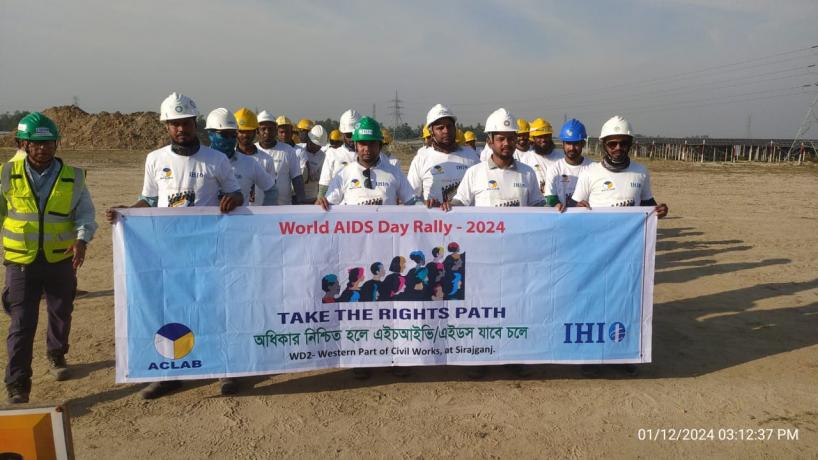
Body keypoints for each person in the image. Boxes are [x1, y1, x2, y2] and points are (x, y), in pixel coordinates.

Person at [106, 93, 242, 399]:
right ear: (167, 127)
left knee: (216, 308)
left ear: (196, 123)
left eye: (186, 122)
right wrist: (127, 211)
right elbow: (150, 201)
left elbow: (237, 193)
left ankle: (226, 369)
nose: (181, 128)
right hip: (168, 252)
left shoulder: (216, 160)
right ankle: (172, 372)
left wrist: (233, 199)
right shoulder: (155, 160)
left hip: (209, 250)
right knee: (172, 309)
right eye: (174, 123)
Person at [1, 113, 97, 404]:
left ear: (56, 144)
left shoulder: (73, 176)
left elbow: (85, 213)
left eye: (48, 143)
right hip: (21, 261)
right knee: (21, 322)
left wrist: (82, 239)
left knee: (61, 311)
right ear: (23, 144)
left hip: (60, 259)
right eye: (36, 143)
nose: (42, 149)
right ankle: (18, 383)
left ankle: (56, 353)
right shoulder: (6, 174)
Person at [445, 107, 545, 379]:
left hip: (517, 257)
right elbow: (458, 204)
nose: (507, 143)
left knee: (515, 306)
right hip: (482, 258)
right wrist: (444, 208)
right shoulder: (475, 173)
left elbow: (538, 208)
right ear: (490, 140)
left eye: (511, 138)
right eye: (500, 138)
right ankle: (478, 356)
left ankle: (514, 355)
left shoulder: (527, 173)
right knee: (480, 308)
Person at [570, 116, 668, 377]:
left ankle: (623, 352)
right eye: (612, 143)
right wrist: (577, 208)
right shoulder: (589, 173)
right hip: (595, 254)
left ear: (630, 144)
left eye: (623, 143)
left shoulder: (640, 172)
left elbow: (648, 204)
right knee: (594, 303)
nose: (617, 148)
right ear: (604, 145)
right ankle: (591, 356)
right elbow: (573, 205)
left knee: (626, 303)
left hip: (629, 255)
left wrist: (659, 210)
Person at [317, 117, 417, 208]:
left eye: (372, 143)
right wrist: (320, 205)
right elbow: (328, 205)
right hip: (353, 228)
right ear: (355, 145)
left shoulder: (395, 173)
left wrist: (429, 208)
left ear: (380, 145)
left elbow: (413, 203)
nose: (367, 149)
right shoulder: (344, 174)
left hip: (386, 228)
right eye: (362, 143)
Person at [407, 104, 479, 208]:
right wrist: (425, 204)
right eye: (440, 128)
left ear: (455, 128)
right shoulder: (421, 158)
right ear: (431, 132)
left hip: (466, 221)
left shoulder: (471, 155)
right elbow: (411, 196)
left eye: (449, 126)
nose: (446, 131)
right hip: (434, 222)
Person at [204, 108, 277, 206]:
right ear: (210, 134)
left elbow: (272, 190)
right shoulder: (198, 162)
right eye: (225, 135)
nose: (230, 139)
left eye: (233, 135)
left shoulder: (250, 163)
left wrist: (264, 216)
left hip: (241, 221)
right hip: (206, 221)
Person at [254, 111, 306, 205]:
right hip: (257, 210)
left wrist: (302, 203)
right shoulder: (252, 151)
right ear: (257, 131)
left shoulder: (288, 151)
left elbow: (297, 178)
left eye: (270, 129)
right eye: (263, 129)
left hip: (283, 209)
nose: (267, 132)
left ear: (275, 130)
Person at [544, 119, 593, 208]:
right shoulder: (554, 168)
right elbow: (550, 196)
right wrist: (557, 204)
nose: (572, 148)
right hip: (562, 217)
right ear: (563, 144)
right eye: (568, 143)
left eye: (576, 144)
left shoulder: (593, 167)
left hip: (585, 217)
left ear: (583, 144)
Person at [317, 109, 361, 198]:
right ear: (342, 134)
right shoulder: (333, 154)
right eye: (349, 135)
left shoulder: (368, 156)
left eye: (355, 134)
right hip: (337, 208)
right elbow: (324, 186)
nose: (352, 138)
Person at [518, 117, 561, 193]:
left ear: (550, 136)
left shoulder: (561, 158)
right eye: (540, 137)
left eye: (546, 136)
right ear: (533, 138)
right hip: (535, 203)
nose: (543, 140)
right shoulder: (526, 159)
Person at [302, 125, 327, 203]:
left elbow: (323, 177)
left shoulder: (322, 156)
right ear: (309, 139)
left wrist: (310, 175)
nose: (316, 147)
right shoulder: (300, 150)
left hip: (313, 197)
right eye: (314, 144)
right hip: (296, 195)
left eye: (319, 146)